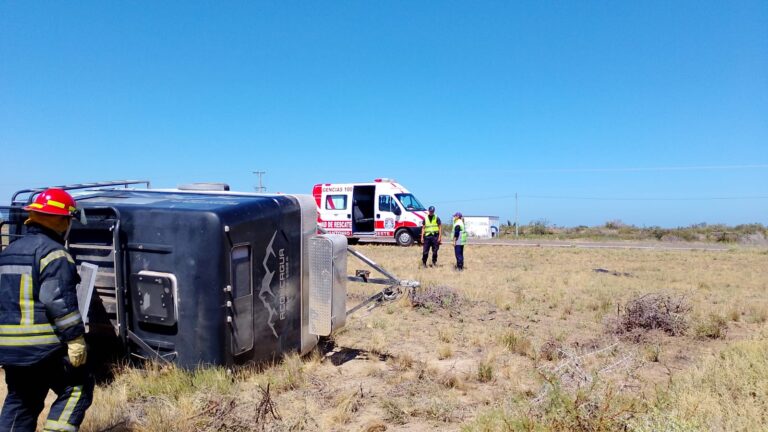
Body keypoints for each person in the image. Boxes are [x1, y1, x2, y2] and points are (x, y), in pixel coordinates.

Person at [0, 188, 94, 431]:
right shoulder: (53, 254)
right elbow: (58, 301)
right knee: (77, 388)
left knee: (22, 401)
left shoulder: (8, 253)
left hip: (9, 349)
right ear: (61, 220)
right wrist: (75, 339)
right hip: (43, 348)